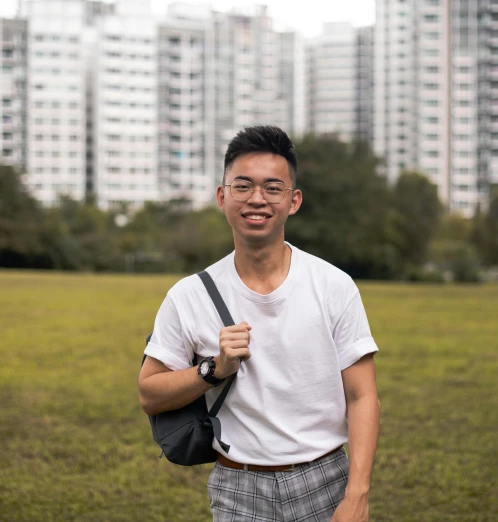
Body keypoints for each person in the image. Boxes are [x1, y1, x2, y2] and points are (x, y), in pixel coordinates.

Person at [138, 125, 380, 522]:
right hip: (238, 485)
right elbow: (150, 394)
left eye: (273, 188)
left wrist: (357, 494)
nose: (257, 199)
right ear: (222, 196)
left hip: (325, 478)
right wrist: (213, 369)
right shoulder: (189, 295)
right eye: (243, 186)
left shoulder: (333, 285)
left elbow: (362, 397)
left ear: (294, 200)